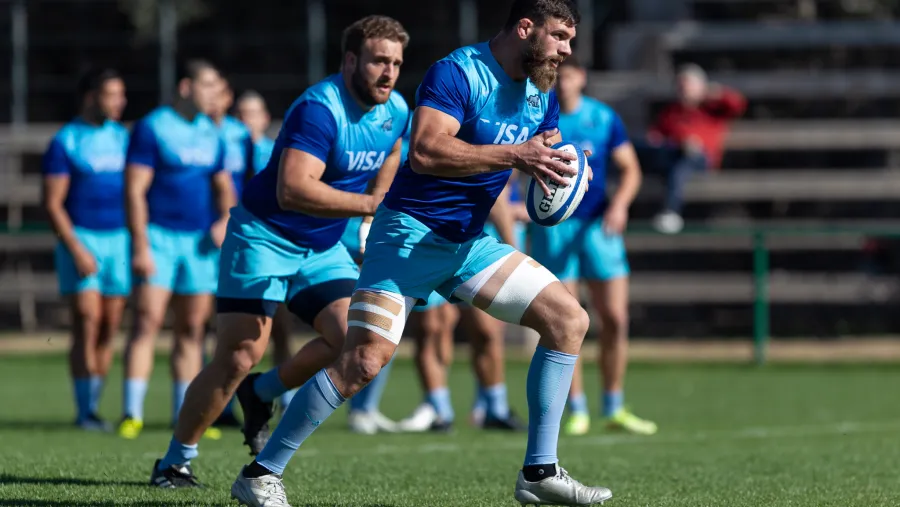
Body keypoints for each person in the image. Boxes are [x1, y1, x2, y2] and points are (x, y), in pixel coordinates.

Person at [229, 2, 613, 505]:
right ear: (525, 28)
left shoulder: (541, 89)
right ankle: (260, 474)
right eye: (559, 36)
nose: (566, 50)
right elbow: (427, 150)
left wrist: (566, 170)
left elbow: (545, 152)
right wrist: (517, 154)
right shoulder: (459, 72)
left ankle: (540, 473)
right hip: (407, 236)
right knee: (363, 361)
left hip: (467, 245)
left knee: (568, 320)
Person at [149, 16, 410, 490]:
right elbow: (293, 190)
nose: (388, 72)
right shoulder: (319, 109)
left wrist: (372, 214)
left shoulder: (396, 110)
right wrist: (370, 205)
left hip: (322, 246)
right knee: (238, 355)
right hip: (264, 236)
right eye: (378, 61)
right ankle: (174, 462)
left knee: (351, 337)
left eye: (395, 63)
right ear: (351, 61)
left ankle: (262, 392)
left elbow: (392, 151)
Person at [532, 56, 655, 436]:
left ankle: (614, 405)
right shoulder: (540, 116)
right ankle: (577, 409)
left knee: (615, 318)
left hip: (599, 227)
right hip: (555, 229)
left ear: (581, 78)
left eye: (569, 76)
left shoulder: (602, 118)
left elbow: (630, 169)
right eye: (558, 76)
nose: (563, 83)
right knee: (566, 320)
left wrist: (620, 206)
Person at [119, 59, 235, 440]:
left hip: (199, 243)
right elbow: (135, 189)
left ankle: (183, 415)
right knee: (147, 321)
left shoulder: (212, 131)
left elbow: (224, 186)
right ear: (186, 87)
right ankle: (131, 413)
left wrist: (225, 219)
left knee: (192, 328)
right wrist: (140, 245)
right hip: (158, 238)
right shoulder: (154, 127)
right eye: (207, 85)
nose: (214, 93)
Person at [42, 68, 129, 432]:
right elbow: (52, 203)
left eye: (122, 95)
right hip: (81, 237)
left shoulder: (124, 138)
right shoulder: (67, 140)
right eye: (112, 94)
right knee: (87, 320)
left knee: (109, 326)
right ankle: (85, 411)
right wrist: (76, 248)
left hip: (120, 240)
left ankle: (94, 405)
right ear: (91, 97)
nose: (120, 102)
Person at [236, 89, 298, 415]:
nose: (246, 120)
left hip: (272, 247)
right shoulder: (228, 152)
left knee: (280, 325)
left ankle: (284, 395)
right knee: (235, 330)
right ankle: (226, 401)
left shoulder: (274, 153)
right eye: (240, 114)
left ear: (264, 118)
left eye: (252, 113)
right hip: (235, 246)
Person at [648, 63, 746, 234]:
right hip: (673, 154)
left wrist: (716, 93)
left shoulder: (712, 108)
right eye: (681, 86)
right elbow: (656, 135)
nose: (684, 90)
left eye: (688, 85)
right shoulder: (671, 112)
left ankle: (671, 211)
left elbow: (737, 104)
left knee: (681, 164)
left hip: (701, 160)